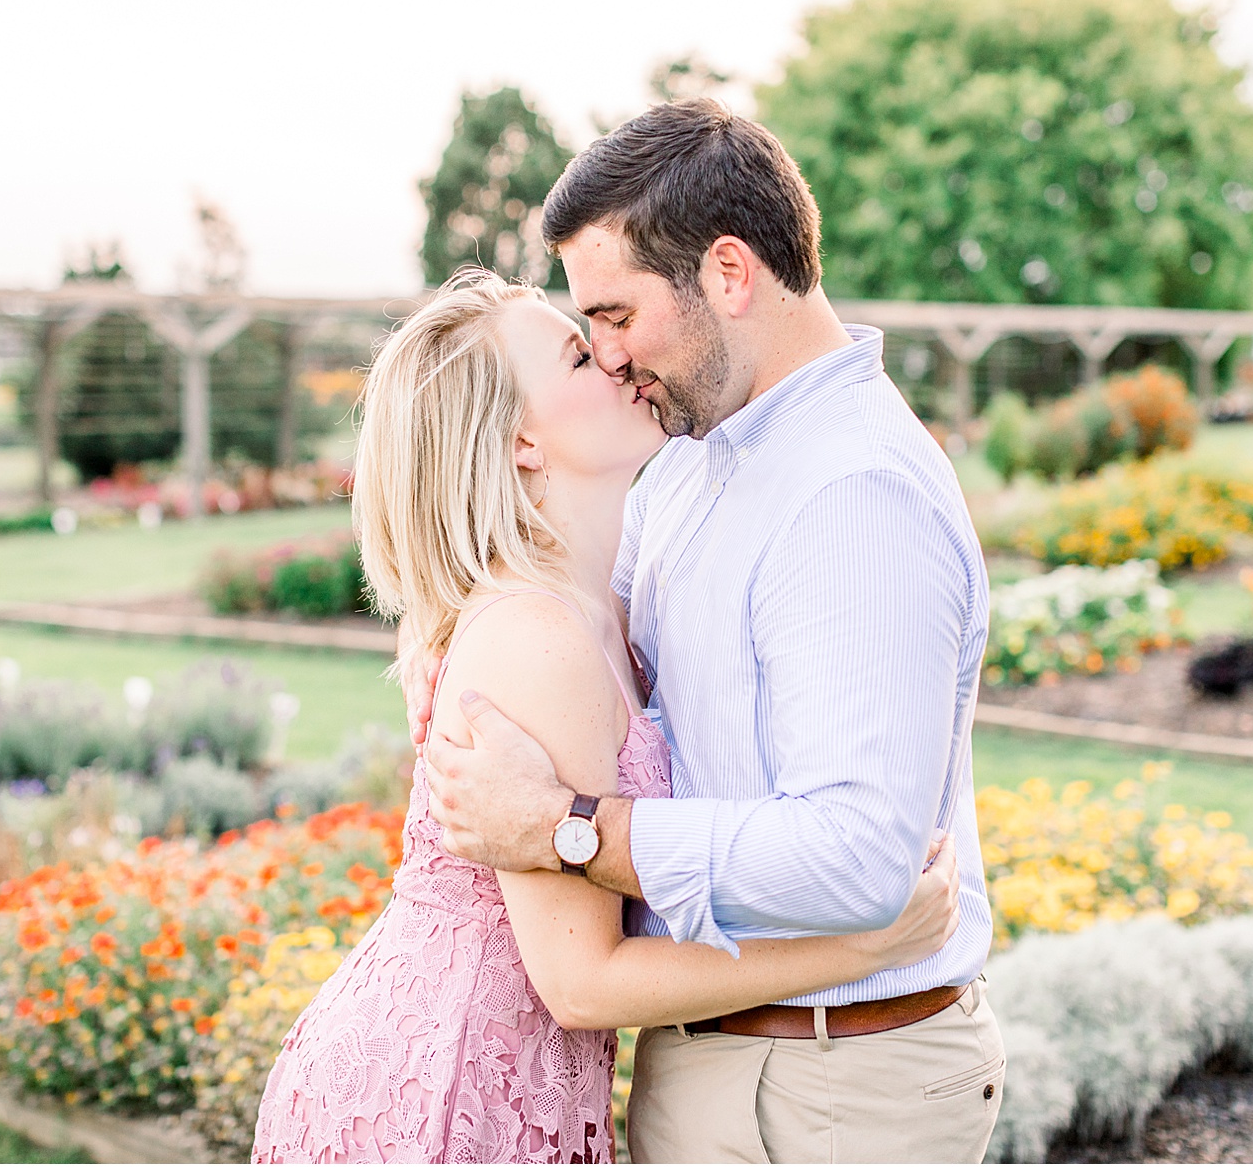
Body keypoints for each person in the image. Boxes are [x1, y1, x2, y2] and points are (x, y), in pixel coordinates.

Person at [249, 268, 963, 1164]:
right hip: (448, 1089)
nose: (619, 358)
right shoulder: (535, 642)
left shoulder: (597, 605)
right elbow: (581, 983)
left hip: (511, 1073)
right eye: (581, 354)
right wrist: (861, 945)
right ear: (522, 441)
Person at [419, 98, 1004, 1163]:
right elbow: (603, 673)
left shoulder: (852, 494)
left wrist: (568, 830)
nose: (601, 355)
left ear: (728, 274)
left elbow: (859, 859)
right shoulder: (687, 463)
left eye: (614, 314)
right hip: (710, 1056)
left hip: (837, 1083)